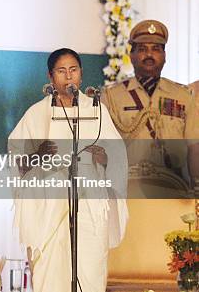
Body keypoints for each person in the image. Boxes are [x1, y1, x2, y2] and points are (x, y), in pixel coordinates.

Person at [8, 48, 128, 292]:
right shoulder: (36, 114)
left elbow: (118, 158)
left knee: (90, 272)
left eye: (73, 70)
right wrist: (37, 156)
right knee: (52, 277)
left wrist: (104, 158)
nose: (68, 76)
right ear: (51, 77)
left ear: (81, 75)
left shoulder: (96, 111)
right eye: (61, 71)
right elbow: (15, 163)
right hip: (48, 208)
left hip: (89, 207)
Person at [102, 19, 199, 192]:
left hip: (175, 187)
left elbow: (195, 146)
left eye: (156, 49)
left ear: (164, 56)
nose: (149, 54)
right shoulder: (111, 97)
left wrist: (196, 187)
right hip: (127, 190)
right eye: (142, 49)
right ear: (131, 56)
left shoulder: (183, 96)